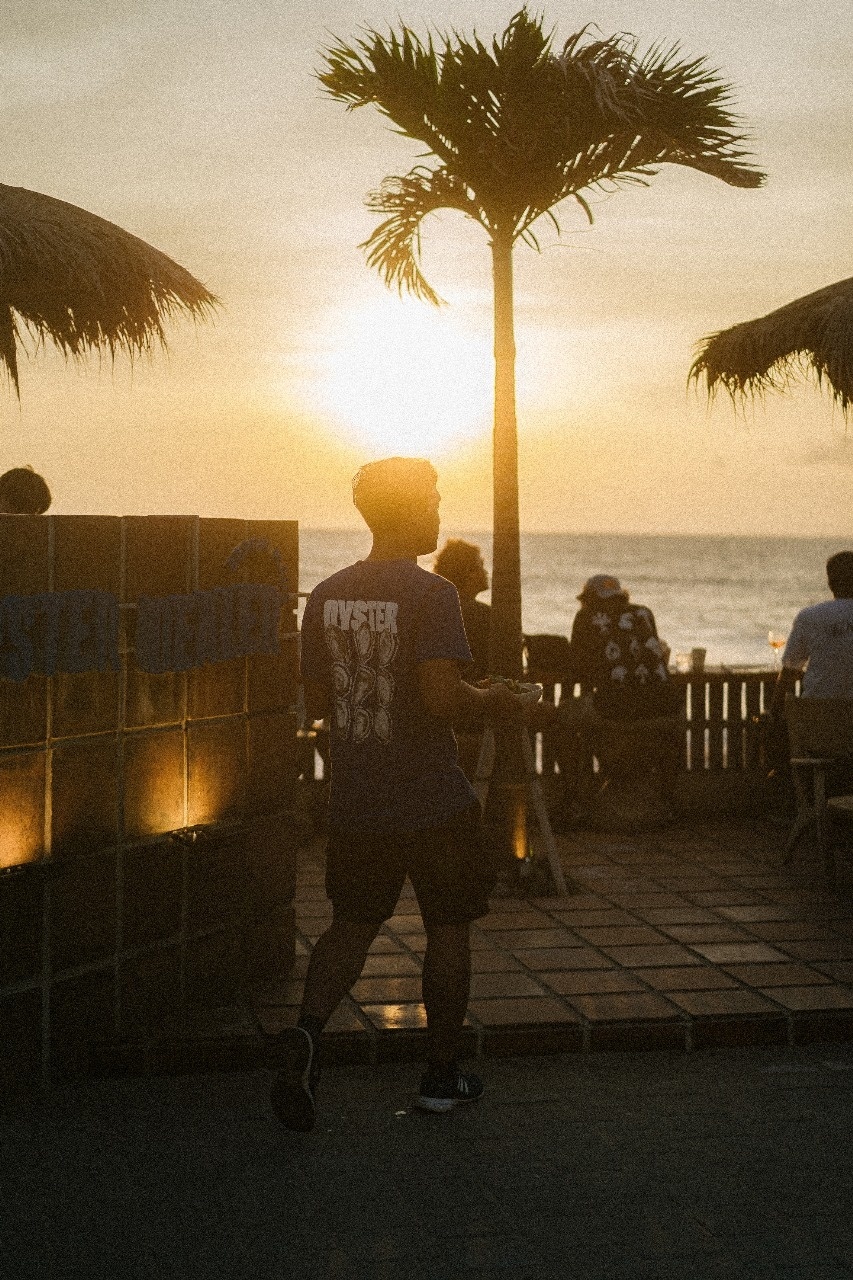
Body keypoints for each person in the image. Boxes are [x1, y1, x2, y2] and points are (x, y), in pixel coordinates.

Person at [272, 456, 528, 1133]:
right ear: (407, 511)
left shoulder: (325, 595)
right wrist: (495, 699)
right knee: (447, 929)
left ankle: (303, 1037)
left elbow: (321, 705)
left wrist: (354, 766)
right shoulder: (432, 594)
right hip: (433, 802)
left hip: (358, 802)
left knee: (350, 927)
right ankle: (440, 1078)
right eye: (432, 501)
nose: (439, 513)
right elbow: (442, 698)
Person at [769, 551, 853, 711]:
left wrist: (774, 711)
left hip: (816, 717)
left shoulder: (810, 617)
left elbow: (790, 669)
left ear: (830, 583)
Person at [433, 538, 490, 682]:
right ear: (469, 572)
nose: (486, 572)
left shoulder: (438, 609)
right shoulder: (482, 615)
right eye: (481, 566)